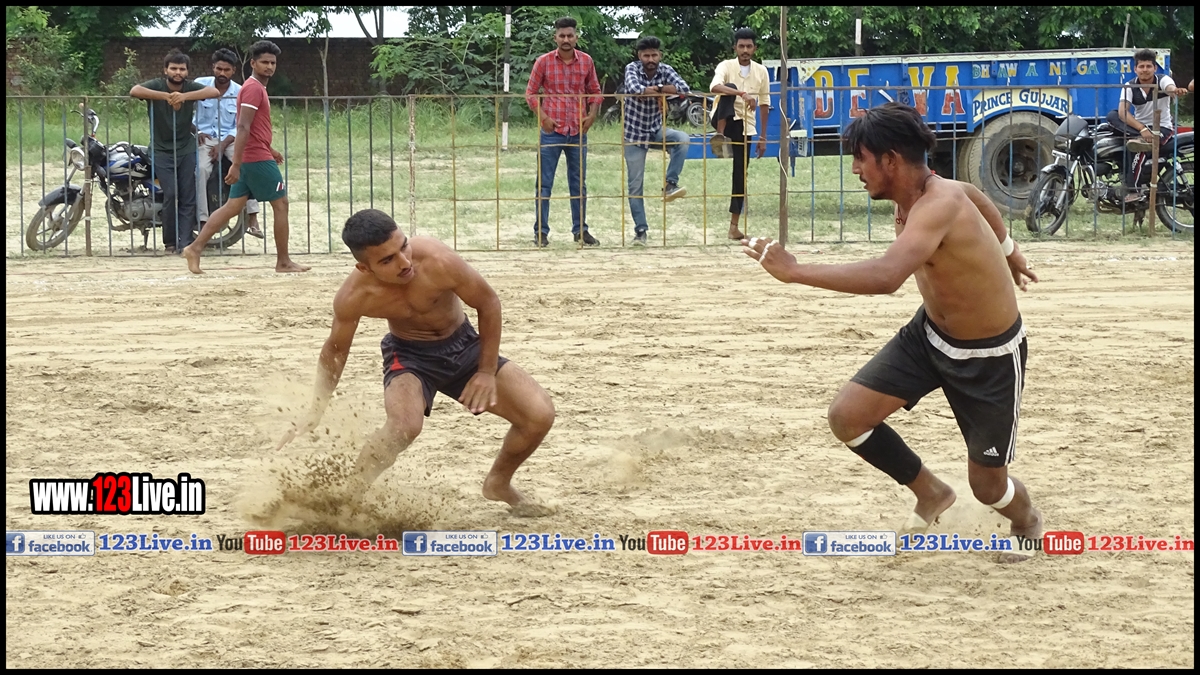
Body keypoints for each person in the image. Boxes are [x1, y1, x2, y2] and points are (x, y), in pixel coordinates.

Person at [742, 103, 1044, 562]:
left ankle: (1026, 521)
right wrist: (1010, 250)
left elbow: (887, 277)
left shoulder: (938, 204)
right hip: (929, 335)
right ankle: (931, 491)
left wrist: (796, 272)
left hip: (989, 357)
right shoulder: (931, 192)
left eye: (860, 159)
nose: (855, 170)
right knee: (848, 417)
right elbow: (976, 195)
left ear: (890, 160)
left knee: (987, 487)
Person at [275, 209, 557, 516]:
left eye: (404, 246)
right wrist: (317, 408)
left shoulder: (438, 260)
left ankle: (498, 484)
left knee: (539, 415)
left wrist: (486, 371)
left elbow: (488, 302)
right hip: (410, 355)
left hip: (464, 345)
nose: (405, 263)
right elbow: (335, 350)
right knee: (404, 427)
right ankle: (348, 499)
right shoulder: (355, 296)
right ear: (364, 267)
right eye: (388, 260)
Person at [182, 40, 309, 274]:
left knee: (232, 206)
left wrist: (269, 149)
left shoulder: (254, 88)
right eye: (264, 62)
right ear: (253, 63)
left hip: (257, 154)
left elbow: (254, 127)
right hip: (256, 158)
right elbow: (242, 126)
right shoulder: (252, 88)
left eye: (272, 63)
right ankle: (283, 262)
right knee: (281, 204)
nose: (269, 67)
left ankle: (194, 248)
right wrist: (237, 164)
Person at [525, 16, 605, 248]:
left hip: (578, 130)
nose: (566, 39)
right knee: (544, 184)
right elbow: (531, 93)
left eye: (570, 35)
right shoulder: (543, 62)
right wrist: (543, 118)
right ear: (555, 38)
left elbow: (595, 91)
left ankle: (581, 231)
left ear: (576, 37)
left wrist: (592, 114)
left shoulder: (586, 61)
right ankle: (541, 232)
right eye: (562, 36)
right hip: (552, 130)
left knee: (578, 184)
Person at [130, 50, 219, 253]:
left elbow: (213, 92)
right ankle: (170, 242)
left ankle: (185, 242)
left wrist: (184, 97)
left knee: (188, 195)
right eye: (173, 68)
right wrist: (167, 97)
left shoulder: (189, 87)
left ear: (187, 71)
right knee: (170, 193)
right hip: (161, 150)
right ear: (165, 70)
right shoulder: (157, 85)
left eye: (182, 69)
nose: (178, 72)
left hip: (186, 148)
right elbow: (135, 90)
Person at [620, 35, 691, 246]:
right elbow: (635, 90)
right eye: (646, 55)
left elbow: (684, 89)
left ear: (659, 55)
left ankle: (670, 184)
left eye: (654, 55)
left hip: (655, 129)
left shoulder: (666, 69)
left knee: (682, 139)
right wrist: (664, 91)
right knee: (635, 186)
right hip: (633, 134)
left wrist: (657, 90)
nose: (650, 59)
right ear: (639, 56)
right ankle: (641, 231)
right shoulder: (631, 68)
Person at [708, 28, 772, 241]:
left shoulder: (761, 71)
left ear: (754, 48)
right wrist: (741, 94)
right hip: (723, 119)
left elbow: (764, 104)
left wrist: (763, 137)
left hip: (746, 126)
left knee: (740, 174)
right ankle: (719, 136)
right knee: (729, 86)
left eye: (749, 46)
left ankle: (734, 227)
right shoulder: (726, 66)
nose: (745, 50)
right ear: (735, 47)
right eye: (741, 46)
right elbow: (715, 87)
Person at [193, 48, 262, 239]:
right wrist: (196, 131)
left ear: (233, 70)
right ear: (213, 67)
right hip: (205, 138)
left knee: (246, 167)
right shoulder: (200, 85)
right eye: (219, 69)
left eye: (226, 70)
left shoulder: (240, 91)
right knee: (201, 170)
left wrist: (223, 145)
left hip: (231, 139)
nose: (222, 73)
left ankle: (253, 217)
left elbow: (240, 124)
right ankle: (203, 220)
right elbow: (186, 111)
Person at [1106, 49, 1187, 203]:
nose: (1145, 70)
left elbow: (1170, 87)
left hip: (1162, 128)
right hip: (1140, 128)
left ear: (1155, 68)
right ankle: (1138, 139)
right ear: (1135, 69)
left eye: (1148, 66)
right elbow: (1123, 113)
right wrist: (1142, 129)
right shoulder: (1130, 86)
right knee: (1112, 115)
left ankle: (1134, 191)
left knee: (1139, 149)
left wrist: (1175, 91)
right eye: (1141, 66)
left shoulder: (1162, 80)